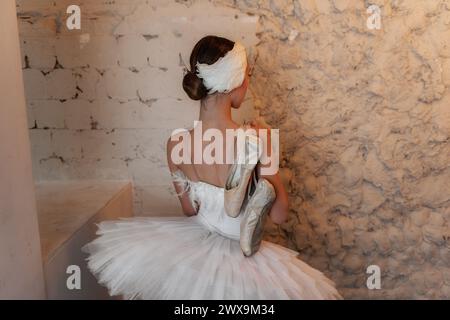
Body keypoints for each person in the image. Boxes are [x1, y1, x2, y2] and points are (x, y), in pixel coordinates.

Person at [83, 35, 342, 300]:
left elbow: (189, 210)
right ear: (236, 82)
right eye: (247, 75)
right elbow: (278, 215)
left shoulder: (176, 144)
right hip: (241, 257)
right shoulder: (257, 138)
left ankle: (235, 195)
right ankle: (241, 196)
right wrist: (269, 152)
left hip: (195, 250)